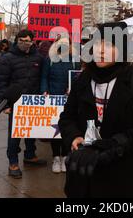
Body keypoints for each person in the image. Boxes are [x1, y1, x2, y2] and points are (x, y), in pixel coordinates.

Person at [58, 22, 133, 197]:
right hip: (85, 179)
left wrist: (116, 145)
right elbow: (67, 118)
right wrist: (73, 136)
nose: (100, 50)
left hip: (124, 180)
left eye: (109, 45)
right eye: (97, 44)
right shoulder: (82, 81)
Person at [0, 29, 47, 179]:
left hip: (33, 102)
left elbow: (41, 78)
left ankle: (30, 155)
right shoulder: (7, 58)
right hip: (15, 103)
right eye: (22, 41)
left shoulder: (38, 57)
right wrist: (4, 105)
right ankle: (13, 162)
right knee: (15, 134)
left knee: (32, 131)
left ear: (32, 41)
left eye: (28, 41)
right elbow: (1, 83)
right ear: (17, 40)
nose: (25, 44)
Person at [41, 37, 81, 173]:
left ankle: (65, 156)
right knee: (54, 130)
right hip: (53, 99)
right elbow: (44, 77)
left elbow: (78, 76)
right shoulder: (50, 59)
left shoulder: (75, 59)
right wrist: (44, 90)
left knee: (66, 129)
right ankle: (56, 157)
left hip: (69, 100)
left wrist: (74, 88)